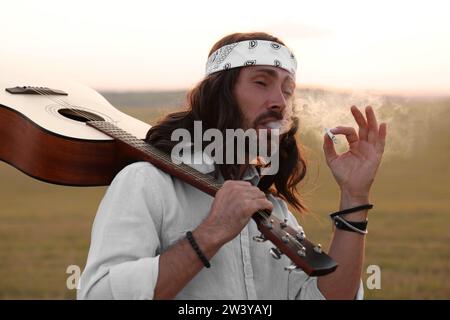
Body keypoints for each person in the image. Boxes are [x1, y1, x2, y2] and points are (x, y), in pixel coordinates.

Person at [77, 32, 387, 300]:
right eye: (262, 82)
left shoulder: (273, 209)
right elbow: (98, 293)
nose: (279, 101)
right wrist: (212, 232)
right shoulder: (146, 183)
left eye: (287, 90)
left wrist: (354, 196)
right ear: (220, 94)